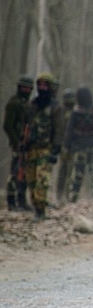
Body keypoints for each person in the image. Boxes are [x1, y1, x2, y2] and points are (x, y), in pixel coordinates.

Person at [24, 72, 64, 221]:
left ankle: (40, 211)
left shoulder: (56, 108)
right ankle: (36, 206)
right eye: (40, 85)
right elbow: (26, 125)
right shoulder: (32, 105)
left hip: (45, 149)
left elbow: (59, 130)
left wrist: (55, 150)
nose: (42, 87)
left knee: (42, 181)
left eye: (45, 85)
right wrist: (23, 143)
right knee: (31, 181)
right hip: (31, 148)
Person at [65, 87, 93, 204]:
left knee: (77, 173)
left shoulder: (75, 113)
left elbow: (70, 131)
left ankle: (73, 196)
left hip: (80, 147)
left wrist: (68, 147)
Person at [3, 74, 34, 211]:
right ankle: (11, 201)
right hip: (17, 143)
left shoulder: (27, 104)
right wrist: (16, 142)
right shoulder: (13, 103)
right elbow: (7, 125)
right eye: (24, 88)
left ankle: (22, 200)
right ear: (19, 88)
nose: (26, 91)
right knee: (15, 172)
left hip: (27, 142)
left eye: (29, 89)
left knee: (25, 173)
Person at [55, 88, 75, 204]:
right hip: (64, 146)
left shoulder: (74, 113)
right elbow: (59, 129)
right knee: (64, 171)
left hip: (71, 146)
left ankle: (67, 196)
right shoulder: (61, 112)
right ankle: (60, 195)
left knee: (69, 172)